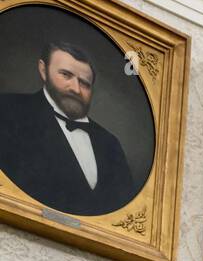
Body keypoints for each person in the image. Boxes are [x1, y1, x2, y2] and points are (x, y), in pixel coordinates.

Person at [0, 40, 136, 215]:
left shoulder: (109, 143)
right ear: (43, 70)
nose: (76, 89)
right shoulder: (7, 110)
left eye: (85, 84)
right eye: (66, 75)